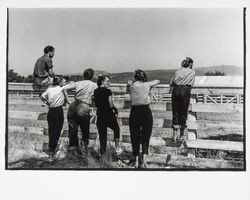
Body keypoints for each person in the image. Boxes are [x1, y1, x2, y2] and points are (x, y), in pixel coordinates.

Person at [127, 70, 160, 168]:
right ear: (143, 77)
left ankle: (136, 160)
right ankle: (144, 160)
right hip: (145, 111)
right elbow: (157, 81)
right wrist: (149, 83)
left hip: (134, 111)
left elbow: (129, 82)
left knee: (135, 135)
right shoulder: (147, 85)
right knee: (146, 135)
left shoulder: (131, 85)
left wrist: (132, 81)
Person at [62, 68, 97, 155]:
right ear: (92, 76)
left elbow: (64, 89)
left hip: (73, 105)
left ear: (83, 75)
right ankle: (84, 151)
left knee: (72, 130)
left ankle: (72, 153)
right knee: (85, 130)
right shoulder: (94, 85)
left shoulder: (78, 83)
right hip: (84, 106)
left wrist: (68, 100)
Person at [40, 76, 70, 156]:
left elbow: (42, 96)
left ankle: (51, 148)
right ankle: (54, 148)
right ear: (59, 82)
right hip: (58, 110)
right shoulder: (61, 88)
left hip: (51, 110)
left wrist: (47, 103)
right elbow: (71, 85)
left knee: (51, 130)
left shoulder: (49, 89)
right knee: (58, 129)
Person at [93, 75, 122, 156]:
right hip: (108, 114)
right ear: (102, 81)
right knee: (116, 129)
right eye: (107, 81)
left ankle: (102, 154)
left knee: (102, 136)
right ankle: (117, 148)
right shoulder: (108, 91)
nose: (109, 83)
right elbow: (110, 105)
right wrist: (115, 109)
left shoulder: (95, 91)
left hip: (100, 115)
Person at [169, 57, 195, 143]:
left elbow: (172, 82)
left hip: (176, 90)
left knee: (175, 112)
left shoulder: (177, 71)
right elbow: (191, 84)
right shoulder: (192, 72)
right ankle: (181, 135)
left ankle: (174, 135)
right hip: (185, 90)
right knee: (183, 112)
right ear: (190, 64)